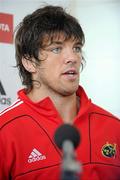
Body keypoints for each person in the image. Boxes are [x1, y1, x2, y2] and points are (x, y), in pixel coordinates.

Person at [0, 5, 120, 180]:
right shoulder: (5, 131)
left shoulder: (114, 127)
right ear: (29, 62)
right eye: (57, 49)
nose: (72, 57)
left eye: (77, 48)